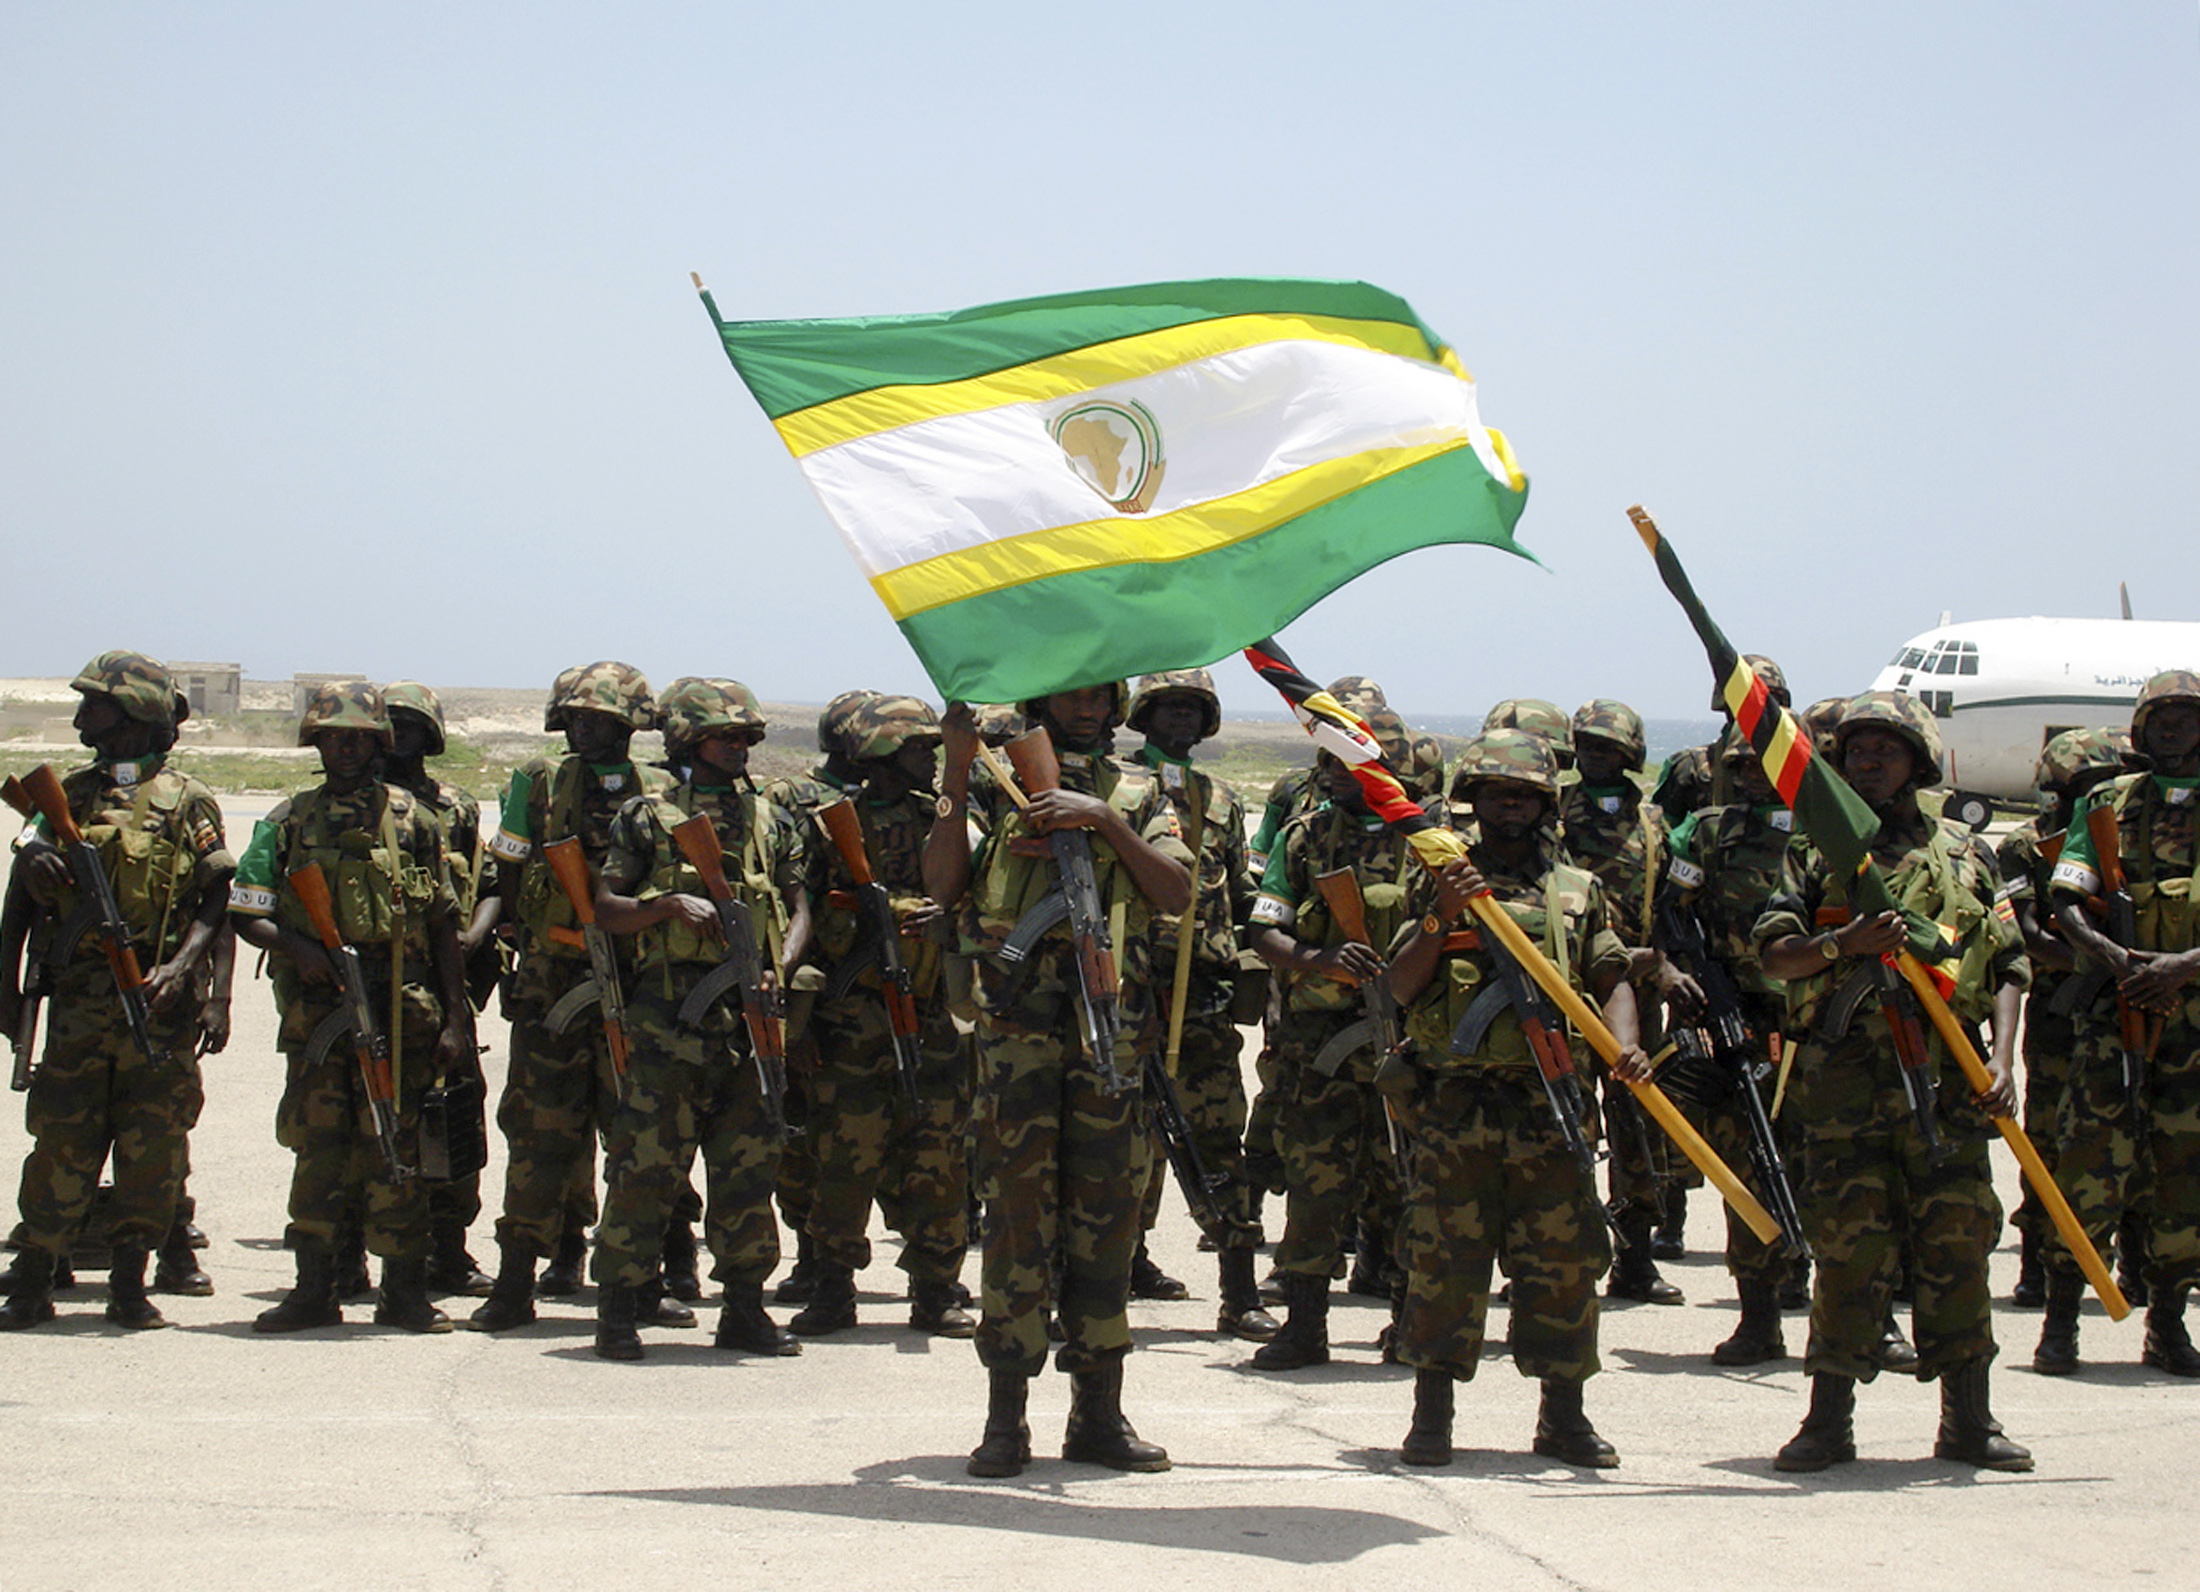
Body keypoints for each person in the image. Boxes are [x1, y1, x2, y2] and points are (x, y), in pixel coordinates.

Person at [1754, 692, 2031, 1472]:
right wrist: (1843, 943)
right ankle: (1827, 1421)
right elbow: (1775, 957)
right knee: (1847, 1257)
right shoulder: (1818, 851)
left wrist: (2002, 1062)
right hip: (1846, 1098)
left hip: (1948, 1088)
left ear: (1919, 761)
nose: (1869, 762)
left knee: (1959, 1250)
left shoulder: (1967, 854)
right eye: (1857, 751)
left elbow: (2010, 964)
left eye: (1887, 750)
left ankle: (1968, 1421)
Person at [925, 683, 1192, 1478]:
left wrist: (1102, 819)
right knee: (1013, 1223)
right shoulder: (993, 785)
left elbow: (1177, 892)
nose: (1084, 705)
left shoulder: (1141, 792)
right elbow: (942, 886)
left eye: (1097, 694)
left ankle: (1098, 1416)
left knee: (1107, 1223)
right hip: (1018, 1044)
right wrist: (955, 767)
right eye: (1068, 692)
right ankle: (1005, 1418)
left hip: (1107, 1040)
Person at [1384, 730, 1646, 1468]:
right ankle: (1431, 1416)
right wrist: (1442, 910)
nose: (1510, 803)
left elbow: (1612, 976)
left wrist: (1623, 1045)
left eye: (1524, 793)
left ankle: (1563, 1416)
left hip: (1548, 1105)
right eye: (1496, 791)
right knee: (1444, 1263)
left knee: (1563, 1265)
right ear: (1472, 800)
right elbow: (1398, 987)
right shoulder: (1437, 879)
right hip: (1454, 1106)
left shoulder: (1576, 891)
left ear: (1544, 804)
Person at [231, 681, 477, 1334]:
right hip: (319, 1016)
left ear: (379, 745)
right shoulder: (287, 819)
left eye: (359, 738)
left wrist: (456, 1019)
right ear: (316, 742)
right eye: (334, 737)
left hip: (401, 1014)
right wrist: (298, 948)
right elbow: (247, 909)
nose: (346, 748)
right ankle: (315, 1287)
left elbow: (446, 927)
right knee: (319, 1151)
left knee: (397, 1154)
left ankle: (404, 1291)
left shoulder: (415, 822)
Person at [0, 652, 234, 1331]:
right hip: (77, 1006)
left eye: (95, 705)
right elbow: (18, 903)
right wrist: (8, 989)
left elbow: (217, 896)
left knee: (152, 1148)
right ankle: (33, 1279)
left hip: (155, 1007)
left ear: (134, 712)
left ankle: (131, 1283)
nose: (81, 718)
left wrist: (190, 972)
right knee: (60, 1145)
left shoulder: (187, 800)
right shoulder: (64, 797)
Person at [589, 678, 813, 1361]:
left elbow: (801, 906)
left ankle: (745, 1305)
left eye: (745, 737)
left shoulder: (774, 817)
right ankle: (619, 1309)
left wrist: (780, 962)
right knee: (647, 1165)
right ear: (686, 739)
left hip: (751, 1018)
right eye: (722, 736)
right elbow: (604, 906)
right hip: (670, 1019)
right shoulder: (648, 817)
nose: (737, 748)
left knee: (749, 1165)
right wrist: (664, 907)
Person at [767, 692, 975, 1340]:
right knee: (842, 1162)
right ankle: (833, 1288)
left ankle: (936, 1288)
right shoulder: (829, 822)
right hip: (851, 1021)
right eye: (917, 749)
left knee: (938, 1159)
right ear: (882, 751)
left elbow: (969, 889)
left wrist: (940, 918)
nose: (926, 762)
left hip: (929, 1015)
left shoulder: (939, 817)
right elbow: (793, 899)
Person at [470, 662, 667, 1333]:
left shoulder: (663, 787)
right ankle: (516, 1278)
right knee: (537, 1137)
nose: (585, 727)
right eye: (576, 716)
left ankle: (639, 1282)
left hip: (639, 981)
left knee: (639, 1140)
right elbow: (509, 867)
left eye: (601, 718)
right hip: (554, 976)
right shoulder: (540, 780)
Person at [1244, 711, 1422, 1372]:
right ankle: (1304, 1324)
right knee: (1314, 1183)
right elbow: (1264, 930)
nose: (1341, 776)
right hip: (1318, 1041)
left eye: (1356, 763)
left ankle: (1410, 1321)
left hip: (1407, 1042)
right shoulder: (1305, 837)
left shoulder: (1430, 839)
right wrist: (1319, 960)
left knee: (1406, 1182)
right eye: (1331, 764)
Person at [2042, 670, 2200, 1377]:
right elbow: (2068, 894)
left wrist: (2181, 968)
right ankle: (2060, 1322)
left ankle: (2167, 1325)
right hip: (2116, 1011)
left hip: (2191, 1017)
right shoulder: (2107, 803)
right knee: (2087, 1164)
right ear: (2140, 729)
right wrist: (2109, 954)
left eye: (2185, 716)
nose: (2171, 727)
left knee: (2184, 1175)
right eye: (2160, 717)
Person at [1123, 670, 1274, 1340]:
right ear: (1144, 717)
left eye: (1193, 709)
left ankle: (1240, 1294)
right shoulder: (1120, 788)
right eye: (1168, 708)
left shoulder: (1220, 798)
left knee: (1217, 1143)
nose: (1180, 720)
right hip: (1127, 995)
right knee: (1119, 1147)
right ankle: (1117, 1269)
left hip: (1203, 1002)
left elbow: (1240, 891)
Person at [1662, 735, 1804, 1363]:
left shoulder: (1827, 833)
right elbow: (1672, 910)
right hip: (1736, 1019)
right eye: (1739, 767)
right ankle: (1759, 1316)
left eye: (1762, 765)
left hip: (1814, 1016)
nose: (1751, 777)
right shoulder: (1707, 831)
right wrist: (1684, 974)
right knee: (1747, 1164)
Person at [1995, 727, 2127, 1310]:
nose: (2101, 794)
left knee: (2125, 1138)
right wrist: (2093, 961)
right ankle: (2036, 1264)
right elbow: (2023, 934)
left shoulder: (2126, 838)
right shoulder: (2026, 846)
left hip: (2124, 1005)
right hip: (2059, 1011)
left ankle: (2134, 1261)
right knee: (2048, 1136)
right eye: (2088, 785)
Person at [1558, 699, 1685, 1304]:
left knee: (1637, 1127)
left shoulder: (1655, 824)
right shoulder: (1554, 812)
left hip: (1639, 990)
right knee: (1570, 1123)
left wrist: (1664, 964)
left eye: (1608, 747)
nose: (1595, 756)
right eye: (1587, 745)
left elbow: (1673, 911)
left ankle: (1635, 1257)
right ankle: (1564, 1255)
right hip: (1571, 989)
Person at [381, 681, 501, 1298]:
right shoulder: (345, 802)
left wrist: (474, 936)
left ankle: (449, 1250)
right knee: (357, 1125)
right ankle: (345, 1254)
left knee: (452, 1120)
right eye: (389, 723)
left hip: (443, 986)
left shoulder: (455, 807)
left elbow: (490, 881)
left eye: (411, 724)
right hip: (372, 987)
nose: (401, 735)